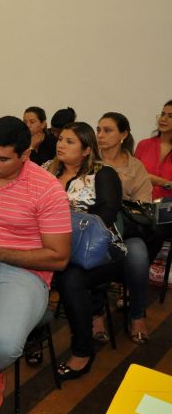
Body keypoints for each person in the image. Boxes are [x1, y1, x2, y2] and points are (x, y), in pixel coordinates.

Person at [0, 116, 71, 414]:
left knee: (6, 344)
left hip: (22, 274)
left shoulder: (47, 189)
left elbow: (59, 257)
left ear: (25, 155)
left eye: (3, 159)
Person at [45, 122, 123, 380]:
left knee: (70, 279)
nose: (60, 145)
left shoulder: (103, 173)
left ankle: (83, 350)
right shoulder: (47, 170)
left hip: (98, 250)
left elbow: (107, 214)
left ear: (87, 149)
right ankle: (33, 341)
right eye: (61, 139)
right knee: (26, 270)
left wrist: (64, 221)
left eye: (70, 141)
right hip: (51, 246)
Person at [96, 112, 152, 343]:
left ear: (123, 134)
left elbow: (145, 205)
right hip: (94, 229)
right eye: (98, 129)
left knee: (138, 254)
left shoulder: (134, 166)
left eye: (107, 130)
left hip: (124, 230)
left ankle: (137, 315)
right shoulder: (90, 159)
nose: (100, 135)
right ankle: (96, 315)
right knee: (94, 253)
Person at [134, 99, 172, 199]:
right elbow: (133, 175)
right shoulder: (144, 144)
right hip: (142, 204)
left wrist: (163, 182)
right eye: (162, 114)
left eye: (170, 116)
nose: (163, 119)